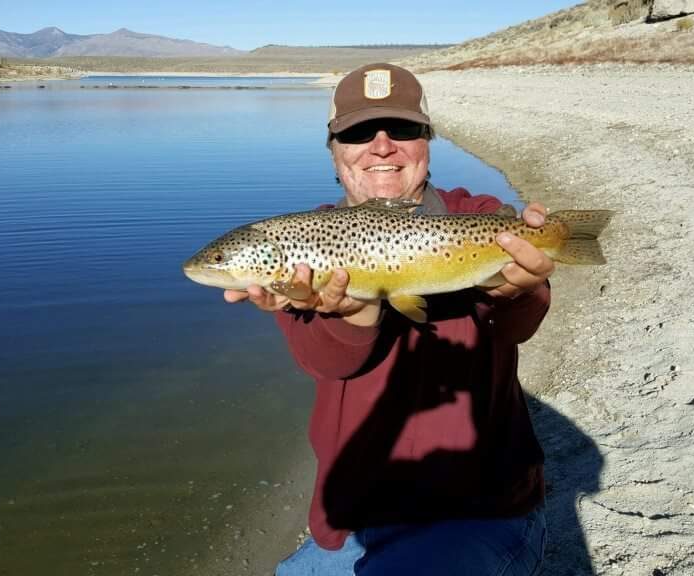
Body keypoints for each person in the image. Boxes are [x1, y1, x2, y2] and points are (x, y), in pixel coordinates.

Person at [224, 63, 554, 576]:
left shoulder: (478, 213)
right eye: (358, 132)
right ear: (334, 152)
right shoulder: (302, 246)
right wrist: (356, 315)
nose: (382, 146)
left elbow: (515, 327)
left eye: (401, 129)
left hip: (478, 509)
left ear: (427, 141)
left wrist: (518, 292)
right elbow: (328, 362)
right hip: (353, 517)